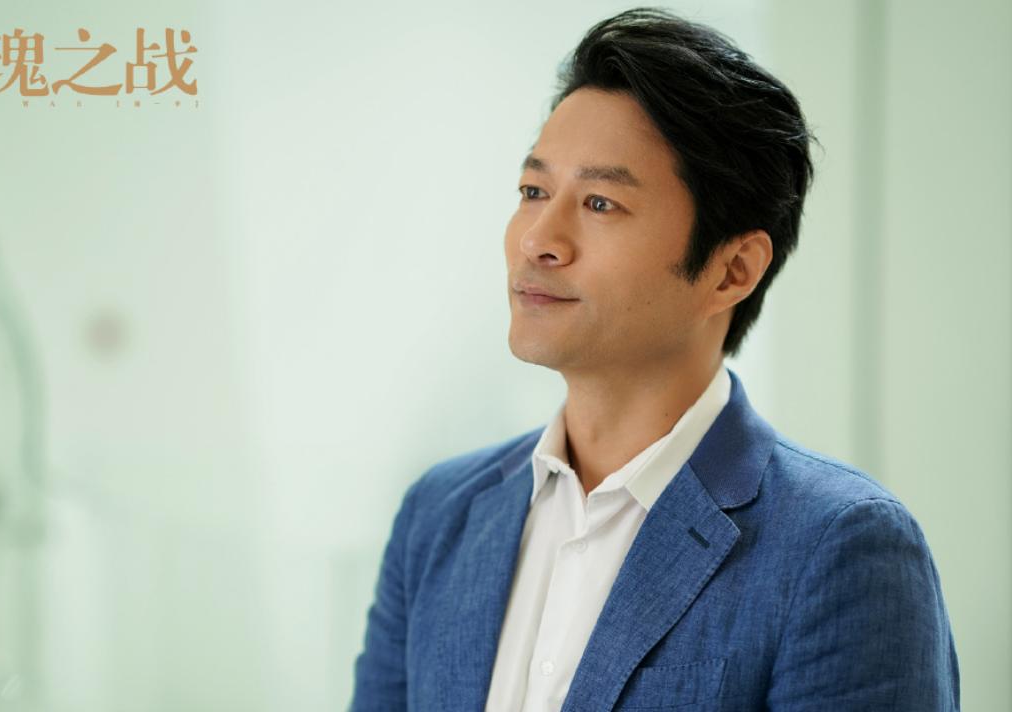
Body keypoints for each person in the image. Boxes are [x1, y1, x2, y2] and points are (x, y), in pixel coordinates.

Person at [350, 7, 960, 711]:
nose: (538, 240)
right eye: (533, 192)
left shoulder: (839, 546)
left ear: (732, 270)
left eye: (600, 203)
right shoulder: (441, 514)